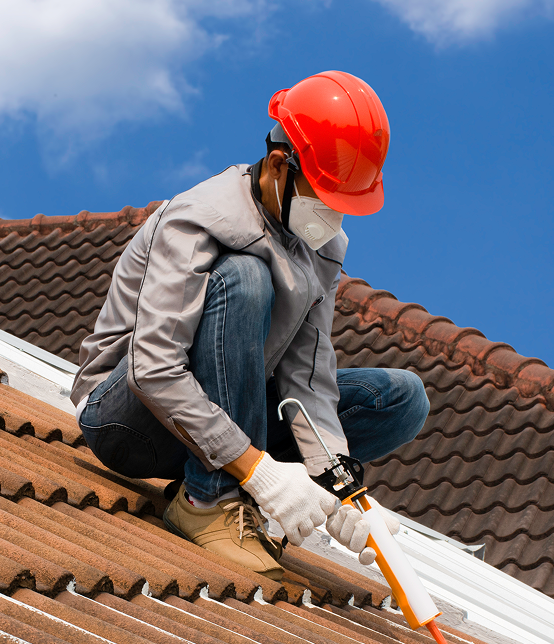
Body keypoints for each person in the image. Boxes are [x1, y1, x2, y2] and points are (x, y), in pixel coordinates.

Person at [71, 71, 429, 580]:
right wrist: (259, 473)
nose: (332, 217)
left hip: (223, 413)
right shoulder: (199, 219)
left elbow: (307, 377)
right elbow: (152, 370)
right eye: (325, 197)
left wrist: (341, 488)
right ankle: (208, 499)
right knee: (245, 277)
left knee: (401, 398)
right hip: (128, 416)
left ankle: (237, 475)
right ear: (282, 164)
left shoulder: (320, 245)